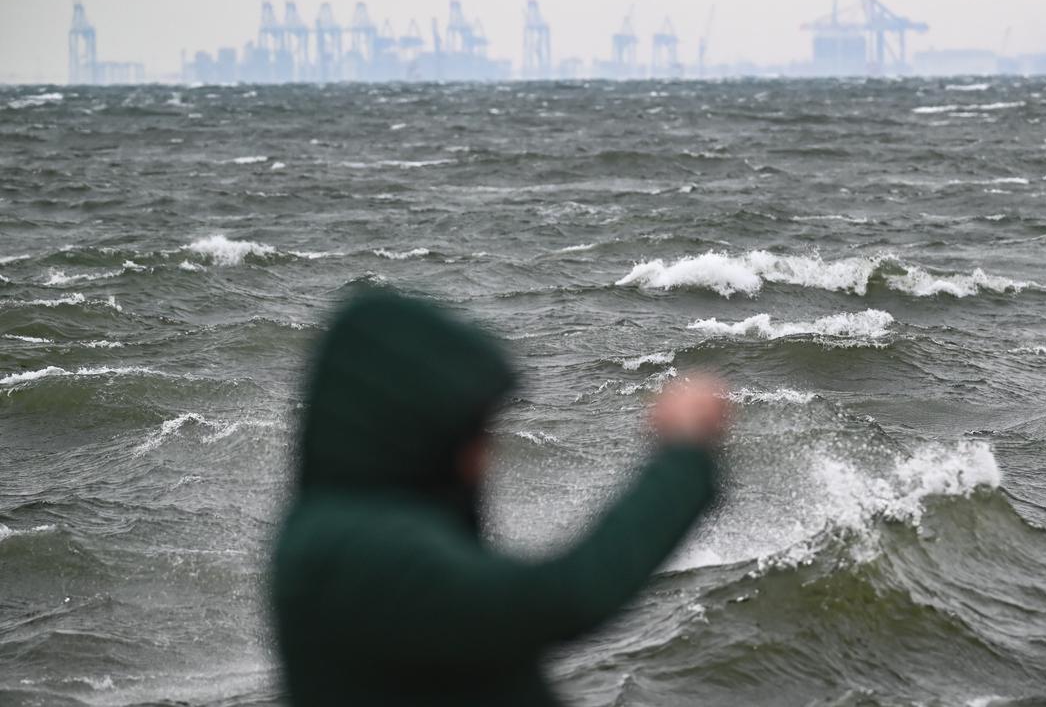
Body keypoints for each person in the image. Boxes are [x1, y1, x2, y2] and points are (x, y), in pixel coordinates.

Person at [270, 290, 729, 706]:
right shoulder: (351, 553)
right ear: (403, 430)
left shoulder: (357, 533)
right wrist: (682, 452)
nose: (483, 461)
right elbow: (565, 598)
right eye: (470, 435)